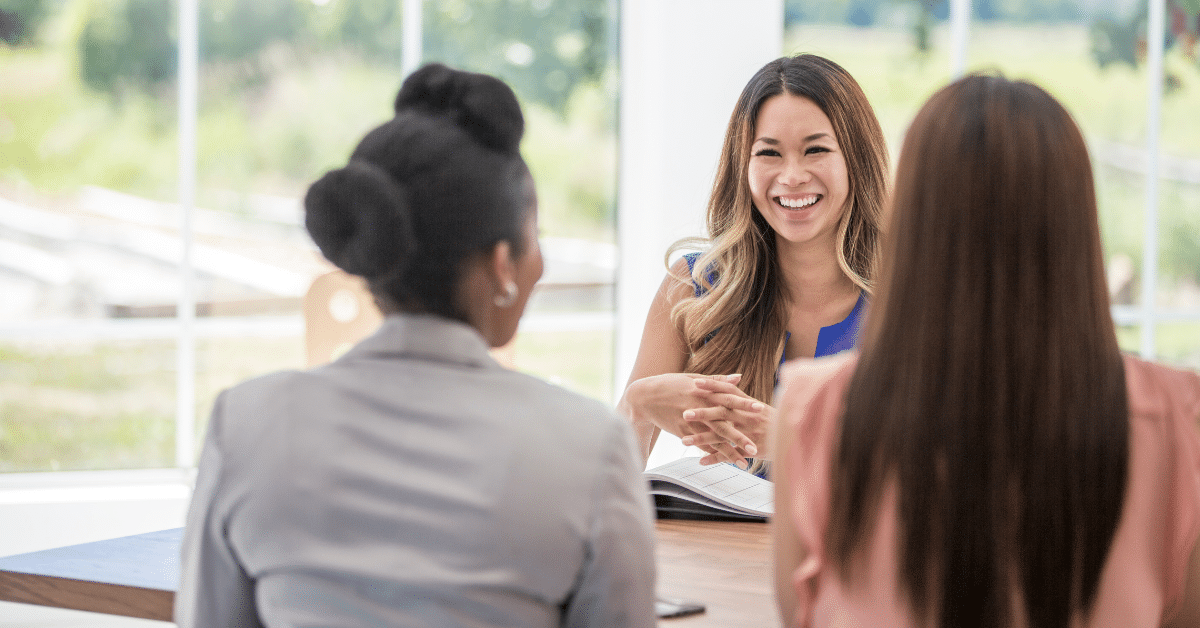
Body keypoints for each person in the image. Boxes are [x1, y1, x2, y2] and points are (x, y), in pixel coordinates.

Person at [175, 64, 657, 628]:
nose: (541, 263)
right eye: (536, 238)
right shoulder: (590, 445)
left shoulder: (244, 424)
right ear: (503, 263)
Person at [773, 74, 1200, 628]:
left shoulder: (811, 409)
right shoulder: (1178, 416)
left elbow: (797, 614)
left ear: (911, 225)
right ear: (1077, 227)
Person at [617, 54, 889, 473]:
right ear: (743, 166)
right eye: (769, 153)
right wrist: (639, 405)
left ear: (856, 158)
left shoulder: (913, 295)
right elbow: (607, 488)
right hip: (726, 541)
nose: (792, 176)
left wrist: (790, 437)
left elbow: (941, 467)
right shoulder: (693, 286)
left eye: (815, 150)